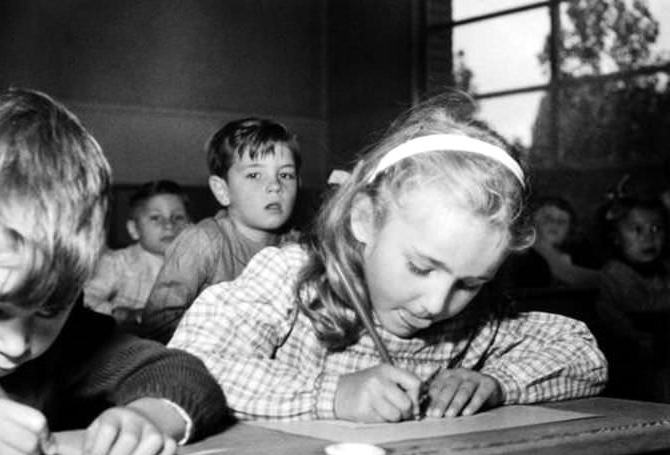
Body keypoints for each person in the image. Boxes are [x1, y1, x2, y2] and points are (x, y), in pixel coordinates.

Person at [169, 96, 607, 423]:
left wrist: (495, 383)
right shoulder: (292, 277)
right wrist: (331, 395)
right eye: (421, 267)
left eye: (470, 283)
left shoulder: (474, 319)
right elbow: (187, 366)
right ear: (364, 221)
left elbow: (582, 353)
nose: (436, 304)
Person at [0, 85, 227, 455]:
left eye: (48, 308)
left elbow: (182, 373)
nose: (17, 345)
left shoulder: (74, 338)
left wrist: (147, 420)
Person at [138, 117, 300, 344]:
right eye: (254, 174)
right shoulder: (202, 242)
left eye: (285, 175)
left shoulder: (296, 250)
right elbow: (157, 325)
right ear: (222, 190)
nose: (275, 186)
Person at [84, 180, 191, 327]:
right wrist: (122, 314)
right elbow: (88, 299)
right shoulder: (117, 263)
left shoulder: (196, 265)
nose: (169, 225)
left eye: (178, 217)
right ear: (134, 229)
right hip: (127, 342)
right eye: (156, 218)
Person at [595, 196, 670, 402]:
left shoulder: (663, 269)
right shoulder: (615, 271)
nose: (648, 238)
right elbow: (642, 305)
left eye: (657, 228)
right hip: (633, 361)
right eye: (636, 230)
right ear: (615, 237)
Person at [505, 196, 599, 289]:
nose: (554, 224)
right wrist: (609, 278)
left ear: (570, 228)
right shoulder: (526, 252)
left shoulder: (576, 254)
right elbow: (565, 273)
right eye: (547, 218)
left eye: (561, 221)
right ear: (534, 221)